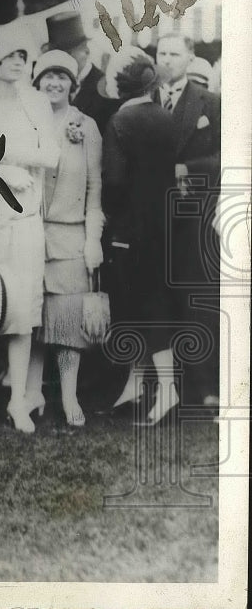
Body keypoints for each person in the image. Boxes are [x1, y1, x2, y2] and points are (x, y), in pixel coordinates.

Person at [0, 35, 60, 434]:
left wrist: (9, 157)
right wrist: (1, 170)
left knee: (22, 311)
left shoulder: (36, 104)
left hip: (24, 221)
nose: (19, 61)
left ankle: (17, 401)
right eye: (10, 55)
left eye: (22, 55)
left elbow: (50, 155)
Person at [102, 46, 190, 426]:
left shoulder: (120, 121)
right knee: (153, 302)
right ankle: (137, 387)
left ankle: (164, 390)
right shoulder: (165, 118)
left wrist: (111, 216)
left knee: (139, 305)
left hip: (129, 228)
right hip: (163, 224)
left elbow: (115, 182)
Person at [23, 50, 104, 427]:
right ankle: (30, 393)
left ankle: (69, 397)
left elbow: (94, 189)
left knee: (67, 319)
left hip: (70, 237)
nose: (54, 83)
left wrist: (93, 239)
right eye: (47, 77)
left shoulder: (85, 126)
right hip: (29, 234)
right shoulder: (27, 122)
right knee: (33, 317)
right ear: (37, 81)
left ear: (73, 84)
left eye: (62, 77)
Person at [152, 33, 220, 412]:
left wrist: (185, 169)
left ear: (190, 58)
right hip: (153, 215)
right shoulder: (144, 101)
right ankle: (160, 388)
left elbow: (227, 156)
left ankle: (203, 386)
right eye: (162, 53)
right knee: (155, 296)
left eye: (175, 54)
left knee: (197, 300)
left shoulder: (210, 102)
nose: (167, 60)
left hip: (195, 216)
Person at [42, 11, 120, 136]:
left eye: (69, 53)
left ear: (86, 51)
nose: (63, 60)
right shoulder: (48, 88)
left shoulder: (106, 88)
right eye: (58, 54)